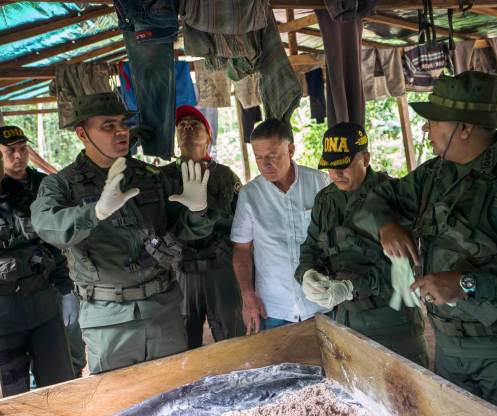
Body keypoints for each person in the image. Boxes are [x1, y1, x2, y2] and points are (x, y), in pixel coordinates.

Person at [356, 71, 497, 416]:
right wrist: (386, 224)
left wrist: (466, 283)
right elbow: (377, 198)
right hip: (450, 349)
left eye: (433, 121)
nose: (426, 130)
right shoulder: (435, 175)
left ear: (464, 128)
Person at [31, 92, 216, 374]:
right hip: (108, 320)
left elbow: (181, 232)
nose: (121, 132)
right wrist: (93, 212)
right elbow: (46, 225)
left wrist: (198, 212)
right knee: (121, 408)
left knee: (176, 396)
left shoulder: (149, 177)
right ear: (82, 133)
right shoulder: (61, 184)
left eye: (123, 124)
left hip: (163, 310)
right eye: (108, 125)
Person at [295, 122, 428, 367]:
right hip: (346, 321)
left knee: (404, 398)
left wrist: (349, 287)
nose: (336, 174)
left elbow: (404, 269)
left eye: (343, 166)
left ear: (365, 158)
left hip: (391, 324)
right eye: (330, 167)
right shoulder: (325, 200)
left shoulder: (393, 195)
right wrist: (307, 273)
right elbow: (311, 247)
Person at [230, 118, 330, 334]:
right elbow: (241, 249)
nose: (266, 164)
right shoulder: (250, 195)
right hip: (275, 308)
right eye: (259, 158)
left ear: (291, 149)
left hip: (322, 303)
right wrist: (247, 296)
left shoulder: (321, 184)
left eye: (272, 156)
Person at [0, 125, 75, 396]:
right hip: (5, 313)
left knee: (60, 384)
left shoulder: (44, 185)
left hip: (44, 301)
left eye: (23, 149)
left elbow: (56, 244)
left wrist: (66, 290)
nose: (18, 156)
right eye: (10, 151)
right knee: (15, 394)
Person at [161, 105, 244, 348]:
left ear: (209, 136)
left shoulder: (226, 176)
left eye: (195, 125)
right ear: (176, 138)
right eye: (182, 126)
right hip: (180, 270)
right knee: (184, 341)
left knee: (232, 337)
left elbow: (243, 224)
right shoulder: (163, 177)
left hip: (221, 269)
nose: (187, 128)